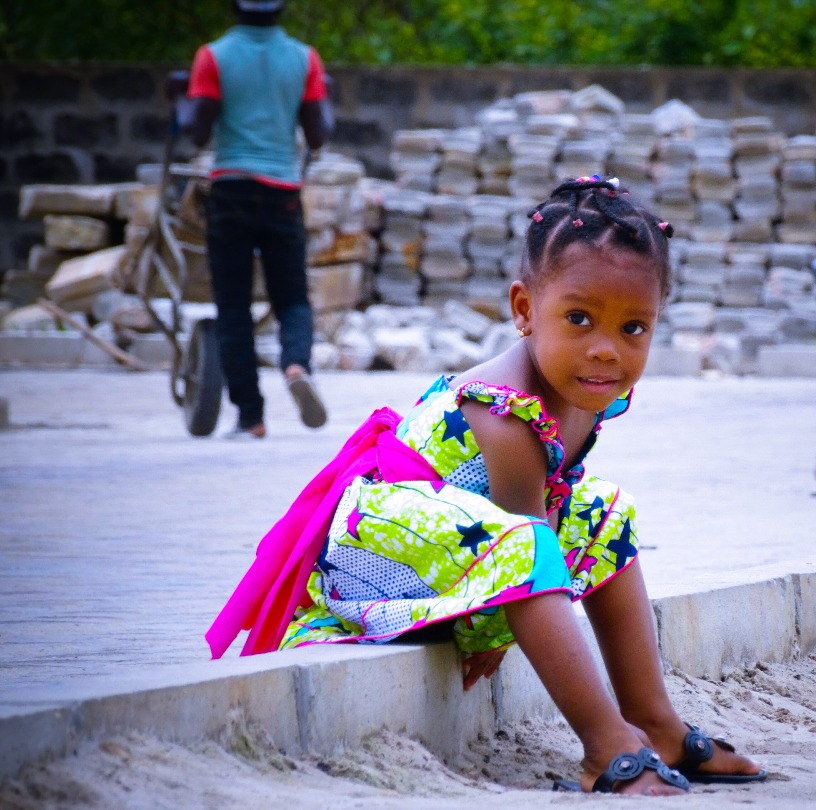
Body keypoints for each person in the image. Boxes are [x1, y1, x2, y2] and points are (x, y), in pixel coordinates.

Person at [206, 176, 768, 794]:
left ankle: (655, 723)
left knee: (609, 512)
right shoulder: (504, 411)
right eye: (579, 319)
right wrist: (491, 633)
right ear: (525, 310)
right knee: (529, 545)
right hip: (380, 553)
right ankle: (605, 750)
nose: (606, 350)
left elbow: (551, 510)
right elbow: (527, 541)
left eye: (634, 328)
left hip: (464, 537)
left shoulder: (589, 387)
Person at [182, 0, 332, 439]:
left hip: (230, 188)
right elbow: (318, 133)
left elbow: (198, 130)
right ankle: (296, 365)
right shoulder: (304, 58)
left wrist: (183, 100)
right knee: (292, 298)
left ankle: (251, 416)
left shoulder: (213, 56)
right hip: (282, 191)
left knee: (233, 304)